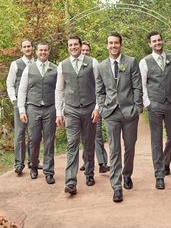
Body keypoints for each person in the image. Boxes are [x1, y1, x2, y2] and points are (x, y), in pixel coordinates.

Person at [96, 32, 143, 203]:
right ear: (106, 45)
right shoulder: (100, 66)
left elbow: (137, 87)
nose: (113, 46)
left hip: (129, 112)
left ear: (120, 45)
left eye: (116, 43)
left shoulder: (131, 62)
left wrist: (137, 107)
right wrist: (102, 107)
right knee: (114, 149)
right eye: (110, 43)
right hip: (110, 113)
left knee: (129, 147)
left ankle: (127, 175)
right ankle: (116, 187)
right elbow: (99, 91)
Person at [55, 35, 99, 196]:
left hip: (89, 109)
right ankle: (71, 182)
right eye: (70, 45)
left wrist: (97, 107)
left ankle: (89, 173)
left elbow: (99, 87)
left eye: (75, 44)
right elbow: (59, 90)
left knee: (88, 143)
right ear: (68, 47)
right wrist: (59, 112)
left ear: (81, 46)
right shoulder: (62, 65)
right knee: (72, 144)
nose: (73, 47)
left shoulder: (92, 62)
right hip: (71, 110)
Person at [139, 31, 171, 190]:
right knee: (156, 141)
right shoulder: (145, 62)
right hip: (154, 105)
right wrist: (147, 103)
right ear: (149, 44)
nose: (157, 43)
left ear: (162, 41)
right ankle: (159, 175)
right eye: (154, 41)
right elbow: (142, 84)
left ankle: (165, 162)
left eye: (159, 40)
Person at [17, 41, 57, 184]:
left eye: (45, 50)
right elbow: (22, 90)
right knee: (33, 140)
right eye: (40, 50)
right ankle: (33, 166)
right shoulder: (29, 69)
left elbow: (60, 91)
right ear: (36, 52)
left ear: (48, 51)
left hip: (50, 108)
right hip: (33, 108)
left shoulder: (55, 69)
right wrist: (22, 110)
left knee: (49, 140)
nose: (43, 52)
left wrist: (60, 111)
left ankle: (49, 171)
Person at [6, 39, 42, 175]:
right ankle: (19, 164)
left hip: (34, 104)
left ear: (33, 48)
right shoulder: (15, 64)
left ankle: (33, 162)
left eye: (29, 46)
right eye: (24, 47)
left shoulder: (37, 63)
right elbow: (9, 83)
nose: (27, 49)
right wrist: (14, 100)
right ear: (22, 49)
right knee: (20, 133)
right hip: (19, 103)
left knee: (34, 134)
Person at [80, 41, 110, 173]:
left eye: (87, 50)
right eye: (83, 50)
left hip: (94, 105)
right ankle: (86, 161)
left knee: (97, 134)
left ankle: (102, 163)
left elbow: (100, 84)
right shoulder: (71, 65)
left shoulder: (94, 63)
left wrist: (99, 105)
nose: (85, 52)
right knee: (84, 136)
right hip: (78, 107)